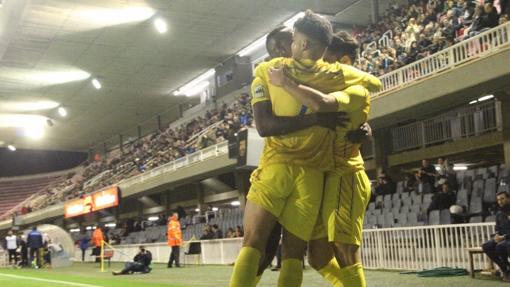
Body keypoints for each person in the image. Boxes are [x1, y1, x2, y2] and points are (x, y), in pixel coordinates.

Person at [230, 10, 379, 287]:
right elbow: (368, 84)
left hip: (335, 173)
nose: (285, 50)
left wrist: (364, 129)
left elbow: (349, 99)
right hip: (315, 174)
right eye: (279, 47)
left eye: (290, 42)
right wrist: (319, 116)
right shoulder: (314, 76)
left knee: (302, 251)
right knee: (311, 256)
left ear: (301, 43)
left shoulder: (291, 75)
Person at [268, 29, 380, 287]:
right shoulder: (319, 82)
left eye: (326, 59)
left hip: (346, 173)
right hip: (323, 175)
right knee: (319, 257)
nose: (321, 65)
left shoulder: (355, 88)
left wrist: (284, 82)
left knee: (344, 248)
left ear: (344, 62)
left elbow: (326, 103)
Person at [482, 191, 510, 282]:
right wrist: (497, 234)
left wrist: (504, 237)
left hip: (507, 238)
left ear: (508, 198)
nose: (500, 201)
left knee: (501, 246)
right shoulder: (499, 213)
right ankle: (505, 268)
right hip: (502, 238)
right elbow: (497, 227)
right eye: (498, 200)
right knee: (486, 246)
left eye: (502, 199)